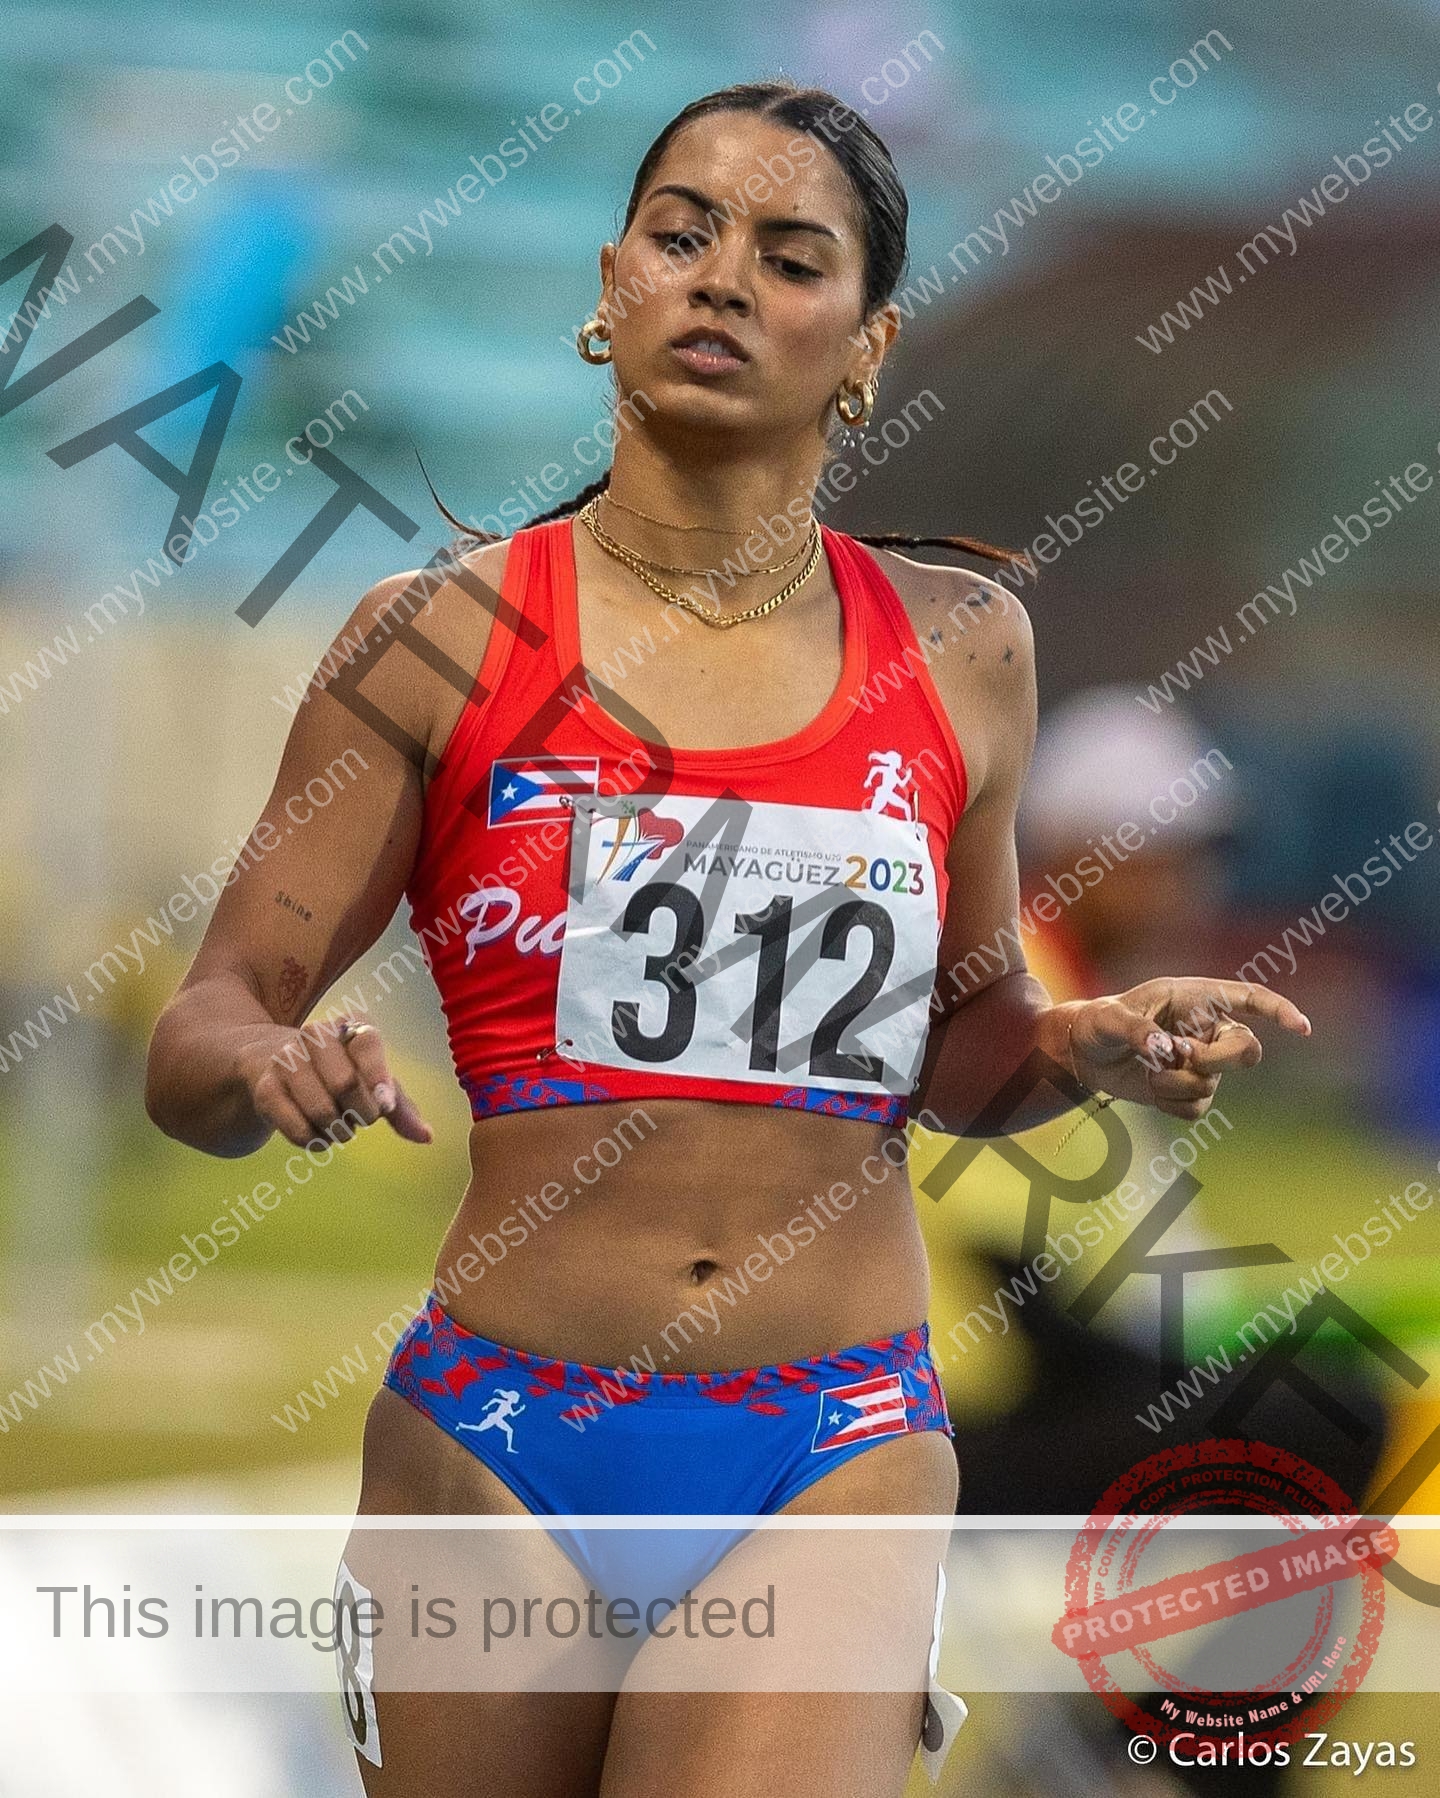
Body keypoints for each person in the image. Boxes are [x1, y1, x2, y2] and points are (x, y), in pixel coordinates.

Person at [144, 79, 1311, 1798]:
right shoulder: (435, 638)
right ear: (609, 282)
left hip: (831, 1439)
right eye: (682, 235)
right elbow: (206, 1026)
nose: (720, 279)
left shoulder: (966, 646)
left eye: (788, 255)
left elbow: (968, 1054)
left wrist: (1085, 1041)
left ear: (867, 342)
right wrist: (266, 1055)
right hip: (498, 1439)